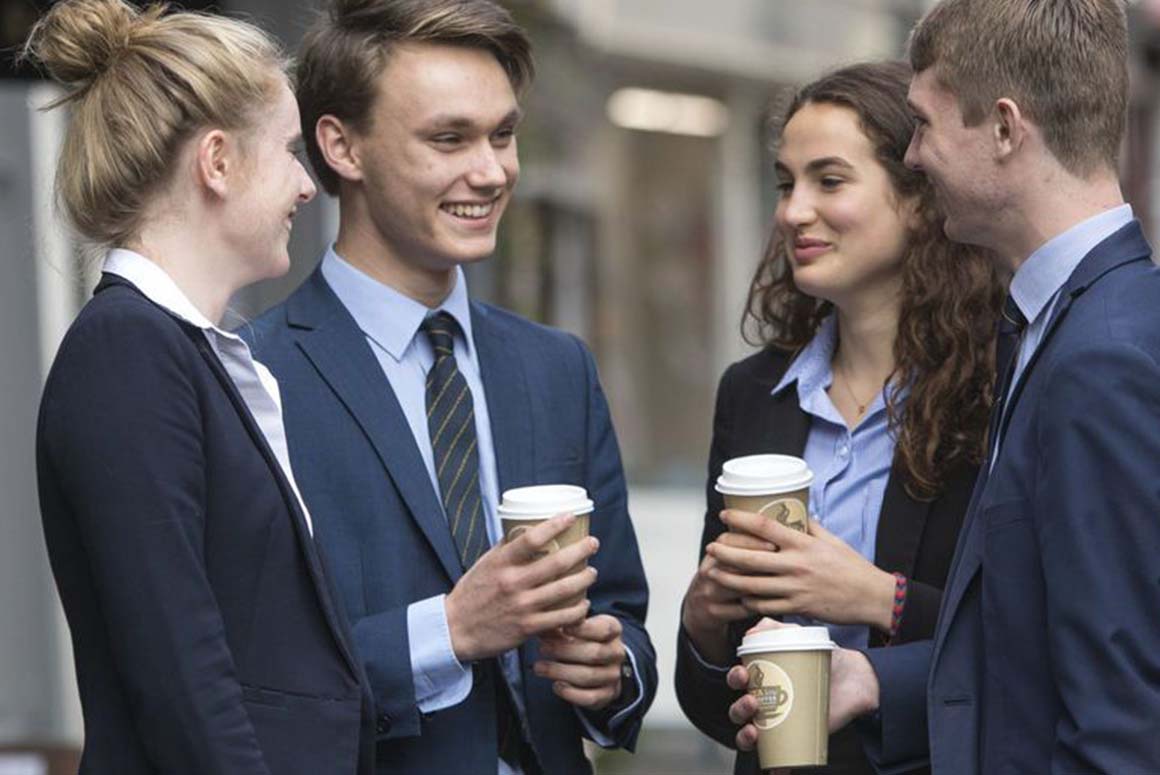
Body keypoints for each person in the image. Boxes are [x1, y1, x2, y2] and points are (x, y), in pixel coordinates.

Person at [728, 1, 1160, 772]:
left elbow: (1120, 711)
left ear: (1003, 127)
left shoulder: (1102, 356)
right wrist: (873, 677)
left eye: (924, 124)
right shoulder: (1052, 325)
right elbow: (1027, 641)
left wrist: (878, 602)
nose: (916, 157)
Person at [243, 1, 656, 773]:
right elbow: (257, 680)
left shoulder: (556, 367)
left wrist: (613, 668)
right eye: (449, 139)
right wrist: (453, 628)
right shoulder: (253, 378)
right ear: (341, 146)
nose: (493, 170)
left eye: (503, 134)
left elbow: (621, 611)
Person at [29, 1, 375, 773]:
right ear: (216, 161)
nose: (306, 184)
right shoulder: (128, 352)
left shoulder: (180, 351)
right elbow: (180, 671)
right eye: (289, 149)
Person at [673, 61, 1002, 774]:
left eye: (829, 180)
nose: (793, 211)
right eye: (786, 184)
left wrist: (880, 599)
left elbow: (1023, 641)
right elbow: (718, 711)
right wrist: (702, 626)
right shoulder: (752, 394)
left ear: (917, 198)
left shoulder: (996, 387)